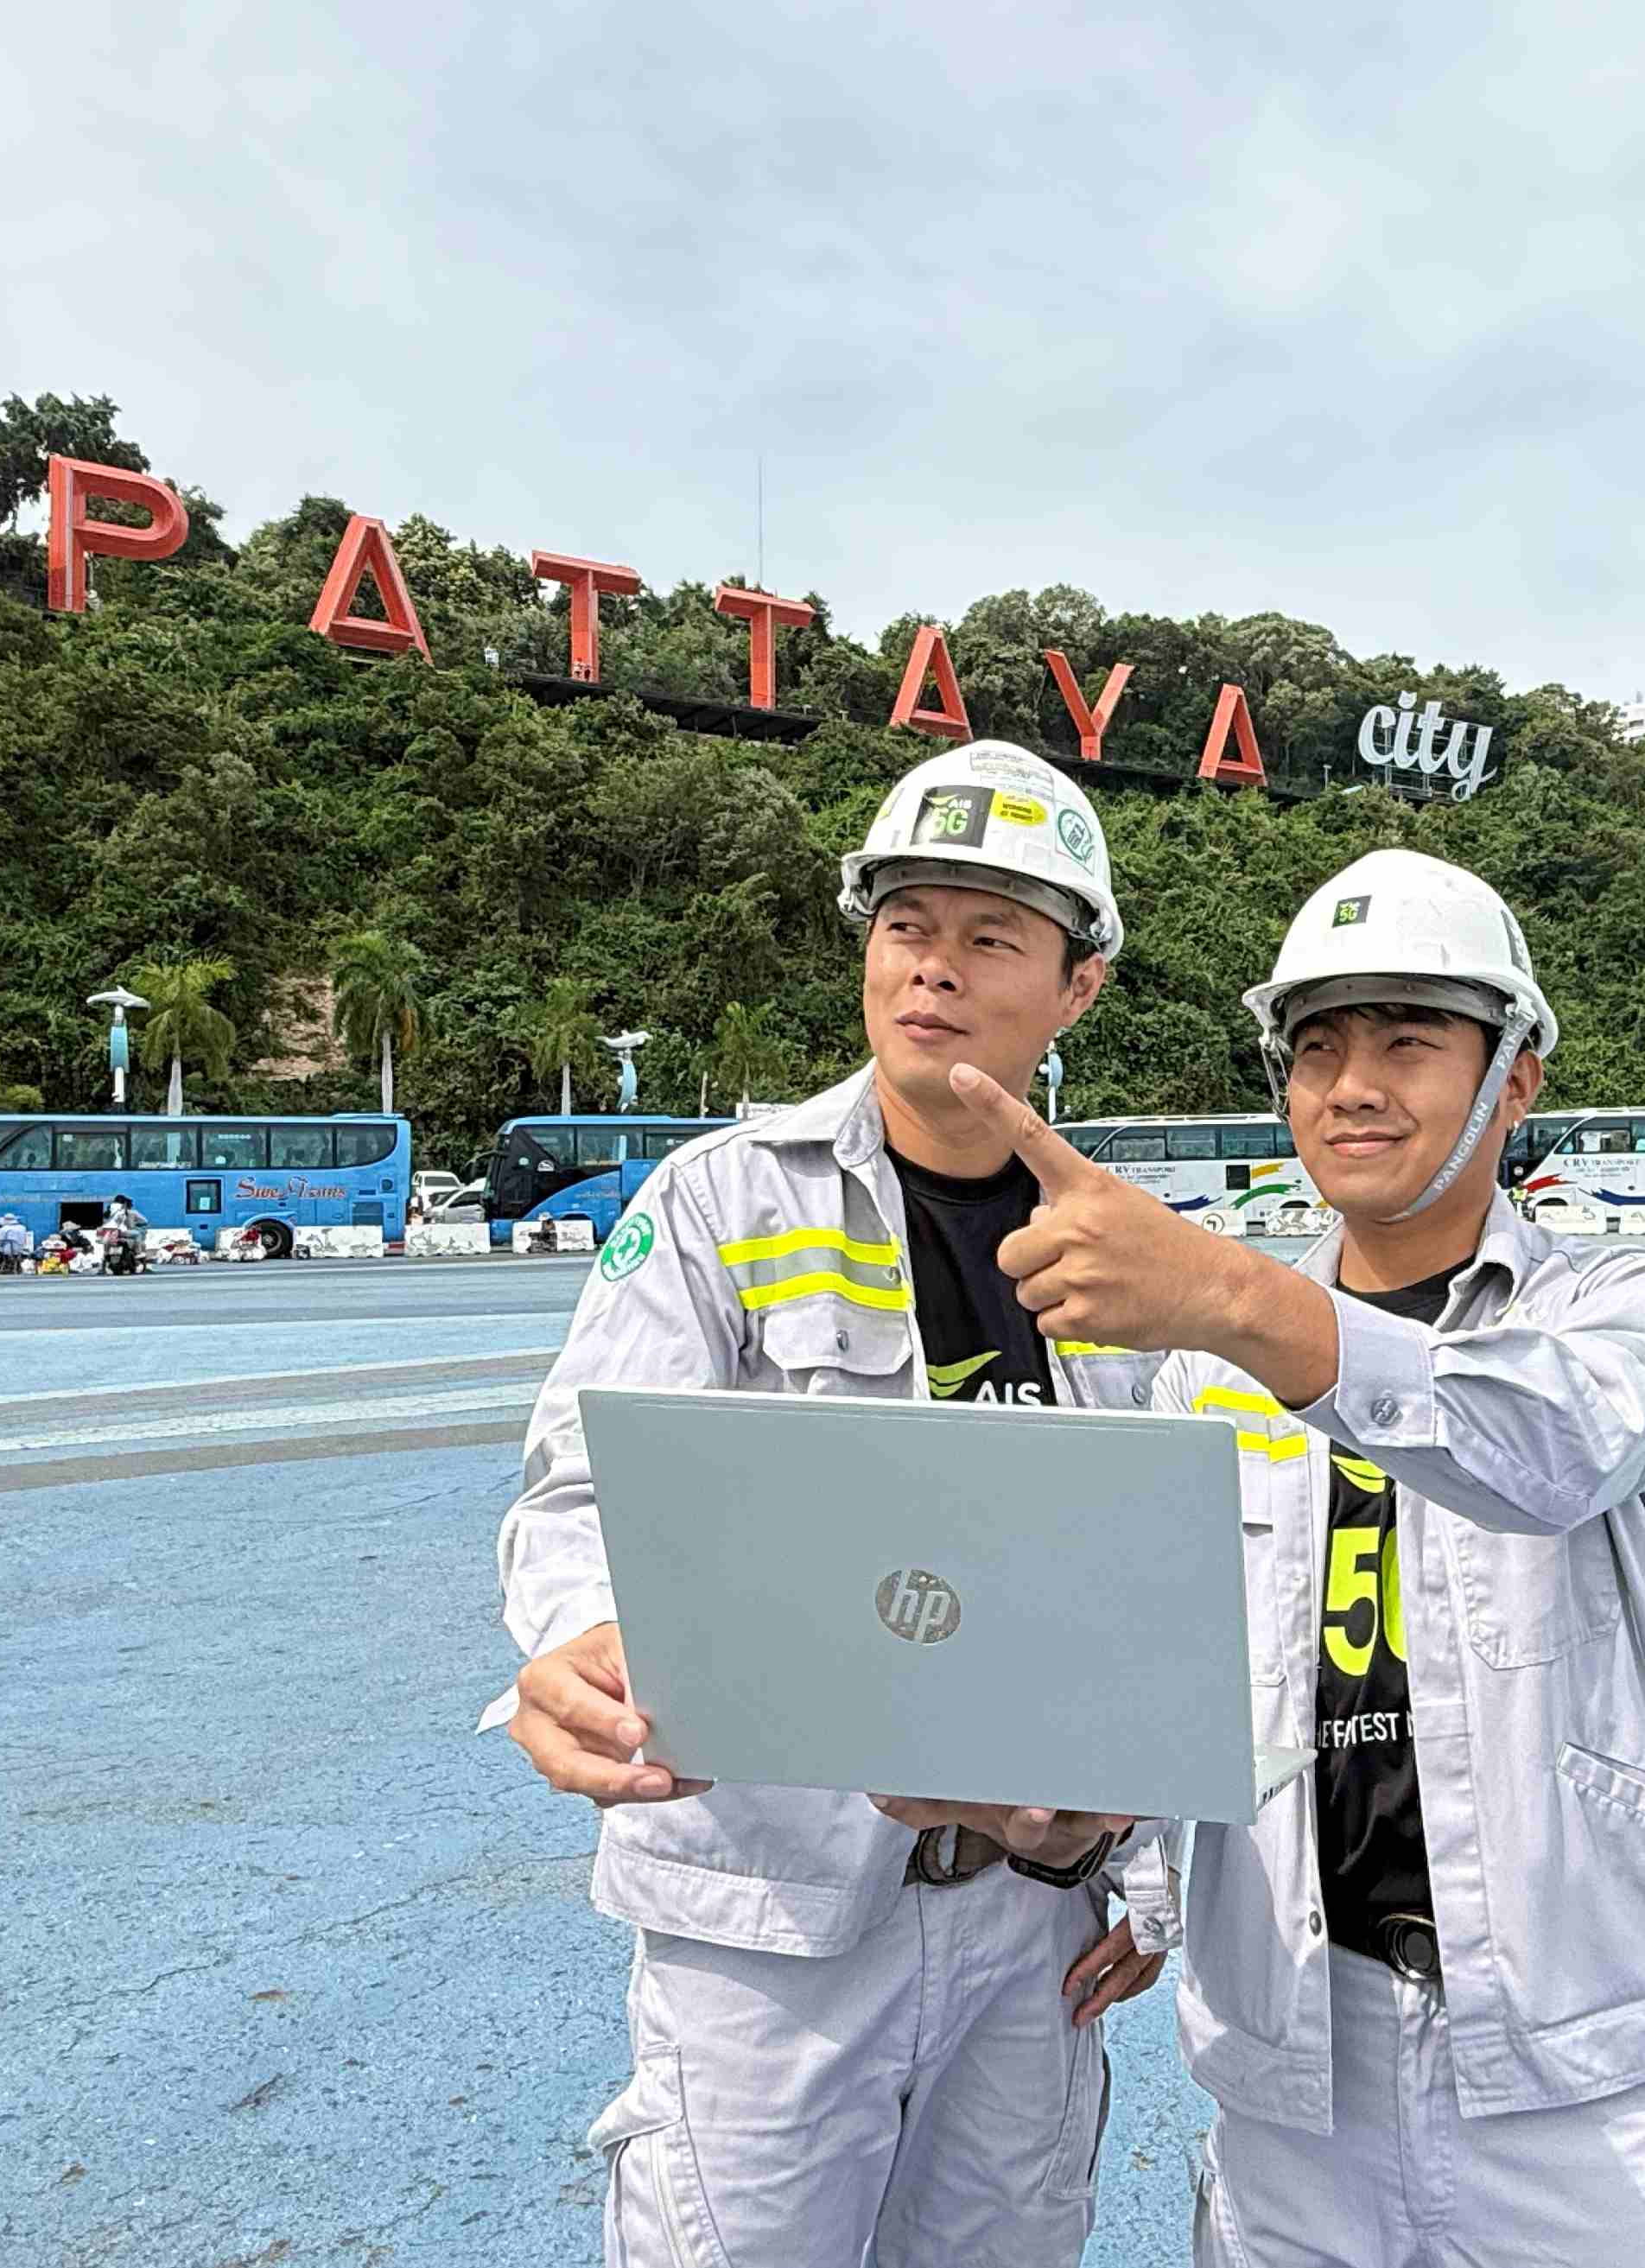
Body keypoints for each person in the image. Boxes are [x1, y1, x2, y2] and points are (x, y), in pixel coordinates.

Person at [910, 847, 1645, 2265]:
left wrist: (1227, 1292)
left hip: (1573, 2065)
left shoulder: (1630, 1305)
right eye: (1317, 1048)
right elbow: (1162, 1663)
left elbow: (1550, 1447)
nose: (1352, 1086)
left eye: (1408, 1042)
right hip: (1295, 2059)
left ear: (1515, 1078)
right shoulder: (1205, 1371)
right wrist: (1093, 1842)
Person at [490, 741, 1172, 2268]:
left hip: (1037, 1924)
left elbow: (1184, 1580)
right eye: (905, 926)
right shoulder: (722, 1201)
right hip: (772, 1917)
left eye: (991, 937)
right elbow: (584, 1482)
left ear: (1080, 986)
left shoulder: (1134, 1252)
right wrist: (582, 1636)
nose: (934, 967)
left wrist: (1152, 1864)